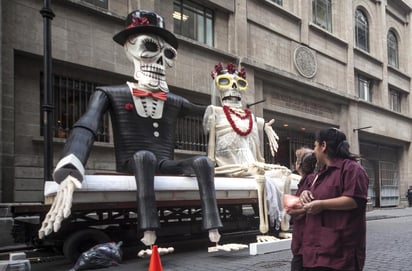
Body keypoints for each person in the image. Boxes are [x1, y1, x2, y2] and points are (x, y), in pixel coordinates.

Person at [38, 10, 223, 249]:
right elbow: (87, 124)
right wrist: (72, 163)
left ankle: (213, 225)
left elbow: (206, 111)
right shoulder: (111, 93)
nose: (159, 62)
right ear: (128, 48)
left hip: (163, 163)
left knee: (203, 162)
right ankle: (148, 228)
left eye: (167, 54)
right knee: (144, 157)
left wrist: (234, 108)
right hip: (131, 161)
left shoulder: (173, 101)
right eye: (149, 48)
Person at [299, 128, 369, 271]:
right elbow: (316, 196)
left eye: (315, 146)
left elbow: (355, 200)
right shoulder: (320, 173)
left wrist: (322, 205)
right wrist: (305, 193)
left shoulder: (352, 169)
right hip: (314, 251)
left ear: (323, 146)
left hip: (340, 253)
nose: (314, 150)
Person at [287, 148, 317, 271]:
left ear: (298, 165)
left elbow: (295, 208)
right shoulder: (307, 181)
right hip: (304, 241)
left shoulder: (310, 181)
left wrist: (293, 209)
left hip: (305, 240)